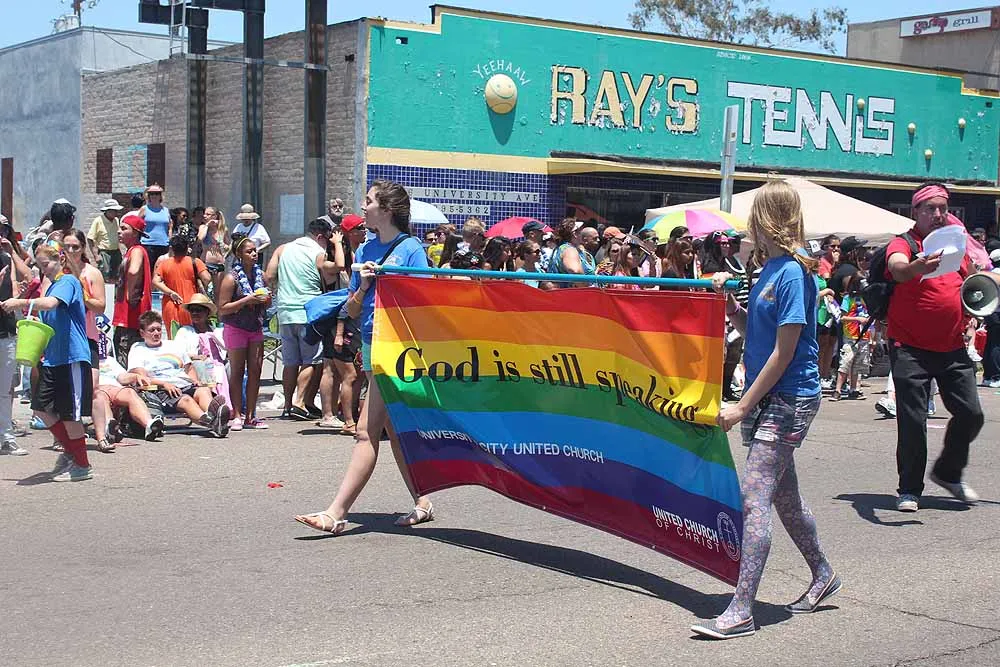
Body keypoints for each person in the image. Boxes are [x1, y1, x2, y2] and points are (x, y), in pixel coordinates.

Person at [694, 180, 837, 640]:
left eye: (754, 214)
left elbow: (784, 352)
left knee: (754, 497)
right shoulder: (771, 268)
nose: (748, 224)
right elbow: (756, 331)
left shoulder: (792, 272)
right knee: (783, 497)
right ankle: (823, 573)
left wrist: (742, 406)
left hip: (789, 397)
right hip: (772, 397)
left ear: (768, 218)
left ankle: (741, 610)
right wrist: (729, 304)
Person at [295, 179, 433, 534]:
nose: (363, 206)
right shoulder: (366, 249)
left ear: (385, 210)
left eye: (369, 201)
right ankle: (423, 501)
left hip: (398, 349)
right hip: (371, 342)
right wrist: (367, 285)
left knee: (365, 431)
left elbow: (425, 302)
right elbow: (353, 308)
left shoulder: (412, 249)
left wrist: (393, 283)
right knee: (393, 429)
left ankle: (336, 512)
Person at [885, 182, 983, 512]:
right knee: (913, 421)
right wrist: (917, 267)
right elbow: (898, 268)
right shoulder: (904, 242)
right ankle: (909, 489)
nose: (938, 214)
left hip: (952, 346)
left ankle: (948, 473)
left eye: (943, 208)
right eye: (931, 208)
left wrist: (973, 306)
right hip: (909, 346)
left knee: (971, 414)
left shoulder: (957, 244)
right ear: (916, 212)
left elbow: (973, 282)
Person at [1, 243, 95, 481]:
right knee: (41, 408)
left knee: (70, 414)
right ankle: (71, 452)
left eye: (46, 264)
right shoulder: (53, 286)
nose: (43, 269)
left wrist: (21, 303)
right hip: (53, 358)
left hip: (71, 357)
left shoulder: (68, 282)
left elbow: (52, 303)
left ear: (60, 260)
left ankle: (81, 465)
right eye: (40, 266)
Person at [265, 217, 344, 420]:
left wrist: (283, 286)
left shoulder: (282, 249)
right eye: (327, 240)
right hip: (307, 310)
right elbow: (338, 267)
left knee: (290, 361)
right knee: (310, 360)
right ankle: (299, 402)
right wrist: (337, 244)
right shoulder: (317, 252)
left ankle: (287, 406)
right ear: (320, 237)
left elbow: (269, 275)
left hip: (285, 310)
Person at [128, 311, 230, 438]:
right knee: (186, 399)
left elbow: (189, 368)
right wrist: (164, 384)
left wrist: (195, 380)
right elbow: (142, 378)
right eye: (152, 330)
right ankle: (213, 422)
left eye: (158, 329)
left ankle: (215, 417)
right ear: (142, 333)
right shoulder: (138, 349)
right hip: (160, 389)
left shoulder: (173, 345)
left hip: (184, 383)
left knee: (203, 390)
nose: (156, 333)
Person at [60, 229, 109, 449]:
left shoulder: (92, 273)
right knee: (65, 388)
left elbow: (100, 307)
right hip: (64, 337)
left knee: (94, 387)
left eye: (75, 247)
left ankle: (101, 436)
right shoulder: (58, 272)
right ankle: (67, 436)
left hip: (87, 337)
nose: (71, 251)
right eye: (67, 247)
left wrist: (83, 294)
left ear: (82, 248)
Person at [218, 237, 270, 430]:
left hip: (255, 327)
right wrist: (247, 300)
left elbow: (268, 303)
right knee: (238, 371)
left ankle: (251, 415)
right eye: (249, 251)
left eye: (255, 250)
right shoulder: (231, 278)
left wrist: (266, 300)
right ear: (239, 254)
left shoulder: (261, 275)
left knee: (255, 370)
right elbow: (222, 308)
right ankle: (237, 414)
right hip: (236, 327)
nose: (254, 254)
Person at [0, 231, 31, 455]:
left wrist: (18, 293)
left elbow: (25, 278)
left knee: (5, 391)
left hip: (7, 332)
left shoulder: (5, 258)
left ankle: (6, 438)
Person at [94, 353, 164, 449]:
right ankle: (109, 427)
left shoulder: (109, 360)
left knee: (130, 392)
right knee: (100, 396)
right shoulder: (84, 360)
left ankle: (149, 425)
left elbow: (122, 377)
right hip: (98, 389)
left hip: (115, 388)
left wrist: (135, 377)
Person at [112, 213, 152, 368]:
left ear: (135, 232)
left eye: (124, 228)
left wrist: (130, 292)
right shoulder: (132, 250)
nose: (119, 232)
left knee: (126, 359)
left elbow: (134, 271)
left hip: (131, 316)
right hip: (129, 317)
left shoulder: (136, 250)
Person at [152, 235, 211, 338]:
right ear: (187, 247)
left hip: (171, 304)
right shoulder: (195, 262)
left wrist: (170, 292)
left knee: (173, 338)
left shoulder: (164, 264)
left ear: (172, 248)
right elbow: (207, 278)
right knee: (193, 337)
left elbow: (155, 281)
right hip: (191, 306)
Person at [829, 271, 871, 401]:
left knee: (858, 364)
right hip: (850, 336)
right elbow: (842, 318)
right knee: (846, 362)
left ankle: (854, 389)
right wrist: (857, 319)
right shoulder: (848, 299)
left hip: (864, 336)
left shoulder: (867, 298)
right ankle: (838, 390)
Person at [549, 218, 596, 287]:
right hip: (573, 292)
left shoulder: (560, 248)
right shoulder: (569, 250)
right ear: (575, 234)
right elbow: (575, 271)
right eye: (580, 231)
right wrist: (586, 287)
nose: (582, 234)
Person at [198, 206, 230, 296]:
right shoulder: (203, 227)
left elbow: (228, 245)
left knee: (217, 292)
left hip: (219, 263)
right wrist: (207, 225)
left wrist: (225, 247)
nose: (204, 216)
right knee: (204, 290)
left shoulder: (222, 229)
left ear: (214, 216)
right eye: (204, 214)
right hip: (206, 262)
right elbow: (200, 238)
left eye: (208, 214)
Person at [88, 199, 124, 279]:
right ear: (107, 211)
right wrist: (96, 256)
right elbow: (90, 238)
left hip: (116, 252)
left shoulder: (116, 220)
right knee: (105, 275)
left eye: (116, 210)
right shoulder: (98, 221)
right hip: (104, 253)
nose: (116, 213)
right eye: (114, 210)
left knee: (118, 275)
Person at [138, 184, 171, 267]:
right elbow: (137, 225)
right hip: (147, 244)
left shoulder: (166, 210)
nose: (154, 196)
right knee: (149, 268)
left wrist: (169, 240)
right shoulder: (144, 209)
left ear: (160, 196)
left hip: (163, 244)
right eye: (151, 193)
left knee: (162, 268)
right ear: (148, 196)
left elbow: (170, 227)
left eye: (157, 193)